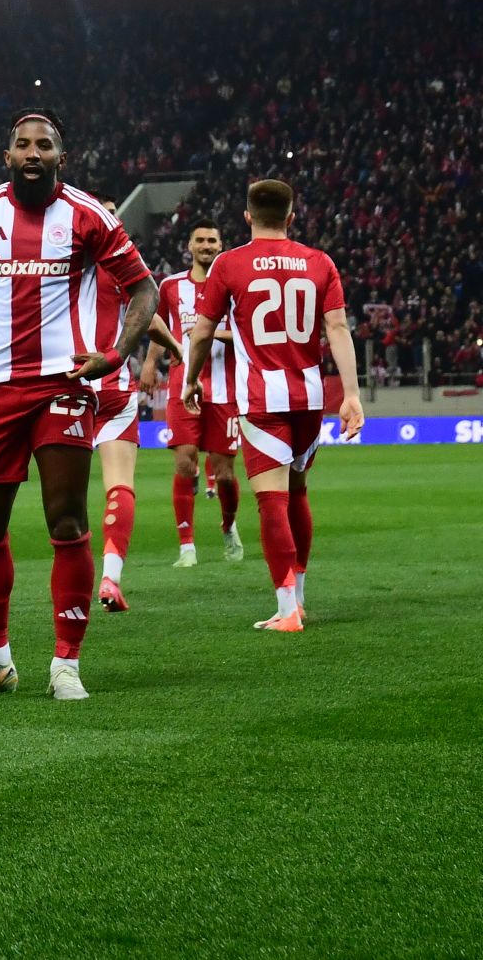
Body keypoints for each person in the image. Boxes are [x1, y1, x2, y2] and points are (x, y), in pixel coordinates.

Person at [0, 109, 158, 700]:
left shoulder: (88, 216)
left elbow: (144, 288)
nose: (34, 153)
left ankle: (66, 665)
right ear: (7, 156)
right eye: (24, 145)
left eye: (45, 145)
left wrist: (116, 354)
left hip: (62, 385)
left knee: (66, 520)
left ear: (62, 157)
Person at [183, 179, 363, 632]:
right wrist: (352, 394)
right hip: (310, 398)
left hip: (262, 399)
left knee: (271, 501)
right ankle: (299, 598)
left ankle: (286, 610)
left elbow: (202, 333)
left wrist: (190, 379)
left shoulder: (229, 264)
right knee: (298, 492)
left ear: (247, 216)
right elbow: (338, 329)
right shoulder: (320, 262)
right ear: (291, 216)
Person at [89, 193, 180, 612]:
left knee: (64, 496)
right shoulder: (120, 266)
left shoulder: (56, 263)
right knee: (119, 484)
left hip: (64, 385)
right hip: (110, 383)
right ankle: (110, 577)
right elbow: (148, 316)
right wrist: (176, 348)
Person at [145, 221, 244, 568]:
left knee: (225, 473)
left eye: (212, 240)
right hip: (181, 387)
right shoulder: (171, 286)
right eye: (200, 240)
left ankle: (228, 526)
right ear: (189, 246)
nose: (206, 245)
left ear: (220, 245)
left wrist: (210, 333)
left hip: (225, 390)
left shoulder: (235, 286)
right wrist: (149, 363)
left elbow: (247, 333)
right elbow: (159, 327)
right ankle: (187, 546)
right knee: (185, 462)